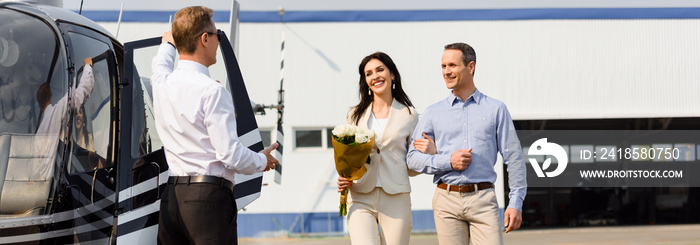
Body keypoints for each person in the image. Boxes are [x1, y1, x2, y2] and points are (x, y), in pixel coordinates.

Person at [151, 6, 279, 245]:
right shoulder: (212, 91)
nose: (219, 40)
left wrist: (169, 43)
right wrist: (262, 160)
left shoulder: (162, 83)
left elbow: (160, 63)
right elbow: (230, 155)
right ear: (204, 39)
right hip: (208, 200)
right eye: (217, 34)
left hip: (172, 198)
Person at [407, 42, 527, 245]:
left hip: (483, 200)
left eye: (452, 65)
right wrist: (448, 162)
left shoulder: (496, 109)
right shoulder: (432, 113)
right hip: (446, 200)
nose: (446, 71)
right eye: (443, 66)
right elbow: (412, 159)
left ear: (470, 67)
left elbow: (514, 158)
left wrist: (515, 203)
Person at [336, 52, 419, 245]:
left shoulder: (409, 114)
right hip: (360, 195)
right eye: (369, 73)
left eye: (380, 70)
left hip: (396, 197)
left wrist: (429, 153)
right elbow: (348, 157)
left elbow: (413, 166)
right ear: (365, 81)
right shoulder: (354, 116)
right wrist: (343, 176)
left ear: (392, 75)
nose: (375, 76)